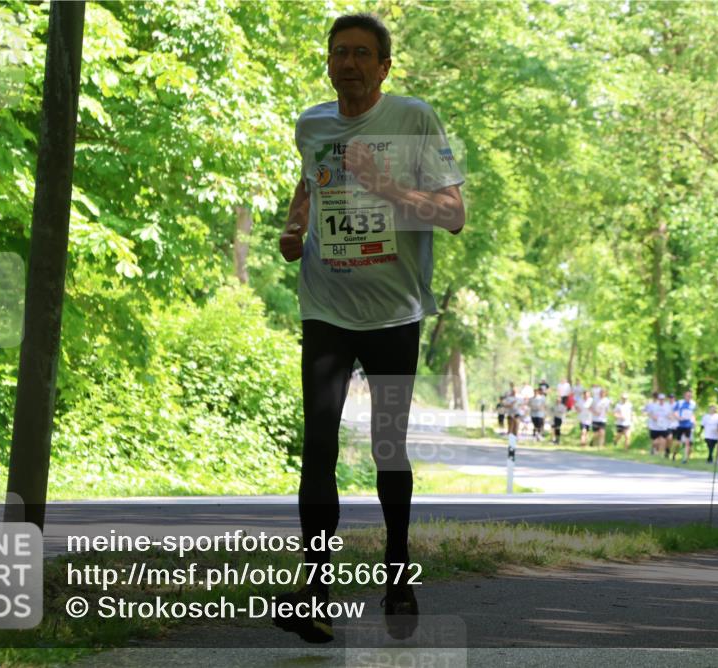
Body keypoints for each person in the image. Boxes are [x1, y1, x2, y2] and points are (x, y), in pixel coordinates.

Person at [277, 12, 465, 644]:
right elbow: (310, 182)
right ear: (328, 63)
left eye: (362, 53)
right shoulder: (312, 124)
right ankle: (313, 591)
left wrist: (387, 188)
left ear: (385, 66)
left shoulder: (415, 118)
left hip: (394, 312)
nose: (349, 63)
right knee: (318, 449)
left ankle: (396, 573)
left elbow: (454, 213)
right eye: (339, 53)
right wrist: (293, 225)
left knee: (388, 446)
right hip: (325, 307)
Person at [674, 391, 696, 464]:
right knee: (678, 443)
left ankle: (685, 458)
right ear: (684, 396)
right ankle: (674, 453)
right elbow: (674, 412)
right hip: (680, 425)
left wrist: (693, 421)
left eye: (690, 396)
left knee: (687, 442)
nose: (689, 397)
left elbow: (693, 414)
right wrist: (678, 417)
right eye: (688, 396)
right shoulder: (679, 403)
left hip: (688, 425)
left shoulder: (693, 404)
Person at [665, 393, 679, 460]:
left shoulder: (677, 405)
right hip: (669, 425)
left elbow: (678, 414)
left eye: (672, 398)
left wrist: (674, 416)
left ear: (674, 398)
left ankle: (674, 454)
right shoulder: (666, 405)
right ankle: (667, 450)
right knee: (669, 438)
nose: (671, 399)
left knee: (677, 441)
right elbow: (666, 414)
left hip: (677, 425)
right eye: (670, 398)